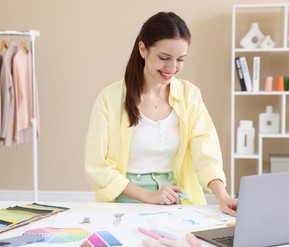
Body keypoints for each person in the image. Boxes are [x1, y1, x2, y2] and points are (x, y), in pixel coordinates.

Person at [85, 12, 237, 216]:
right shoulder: (110, 98)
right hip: (125, 198)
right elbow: (97, 167)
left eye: (180, 60)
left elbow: (206, 152)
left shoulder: (190, 95)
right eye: (164, 58)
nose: (172, 68)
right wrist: (148, 195)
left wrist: (223, 196)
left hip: (176, 197)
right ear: (143, 49)